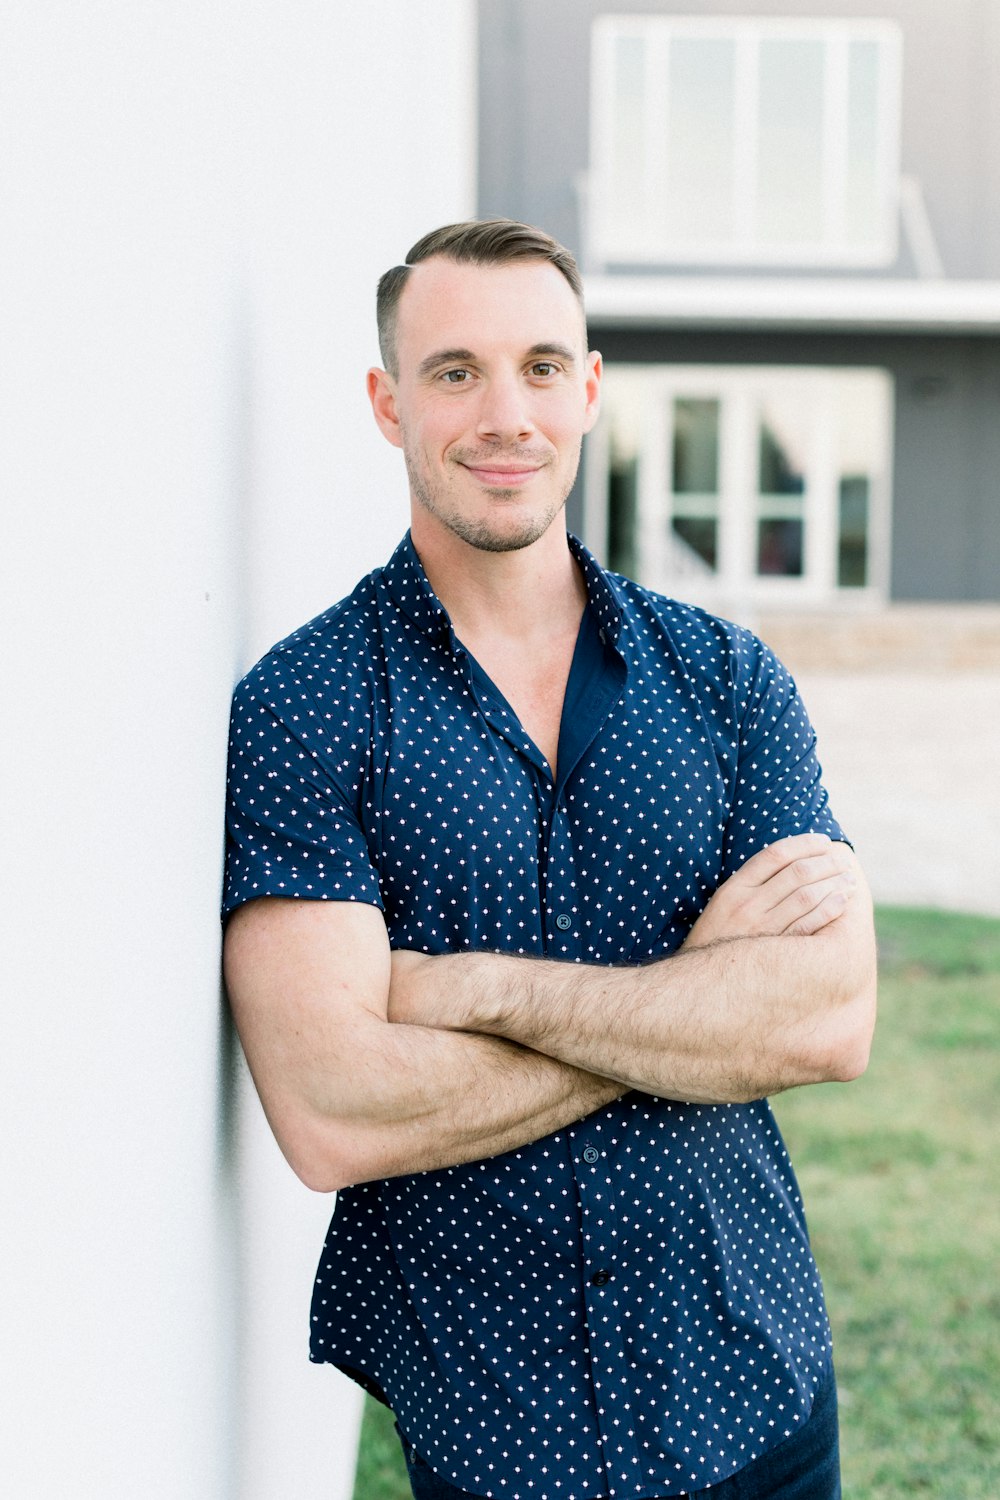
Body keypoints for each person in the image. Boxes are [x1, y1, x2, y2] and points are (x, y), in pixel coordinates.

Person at [222, 219, 877, 1500]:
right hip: (495, 1422)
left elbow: (825, 1023)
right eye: (453, 371)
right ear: (387, 402)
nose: (502, 412)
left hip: (749, 1382)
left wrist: (470, 989)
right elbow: (330, 1110)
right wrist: (690, 1002)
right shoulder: (306, 705)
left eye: (538, 365)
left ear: (587, 389)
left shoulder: (727, 681)